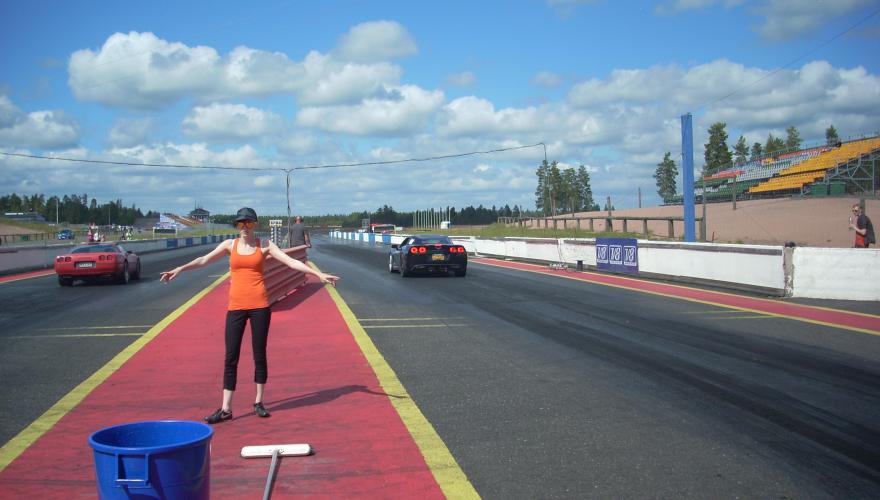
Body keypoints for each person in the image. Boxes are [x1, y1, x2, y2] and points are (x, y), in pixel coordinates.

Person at [159, 207, 339, 424]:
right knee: (231, 357)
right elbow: (203, 260)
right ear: (237, 226)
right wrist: (179, 268)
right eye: (241, 224)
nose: (245, 228)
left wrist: (318, 274)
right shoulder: (229, 245)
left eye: (249, 224)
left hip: (259, 306)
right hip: (236, 307)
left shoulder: (264, 246)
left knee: (259, 354)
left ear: (256, 225)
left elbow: (292, 262)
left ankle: (258, 402)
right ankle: (226, 408)